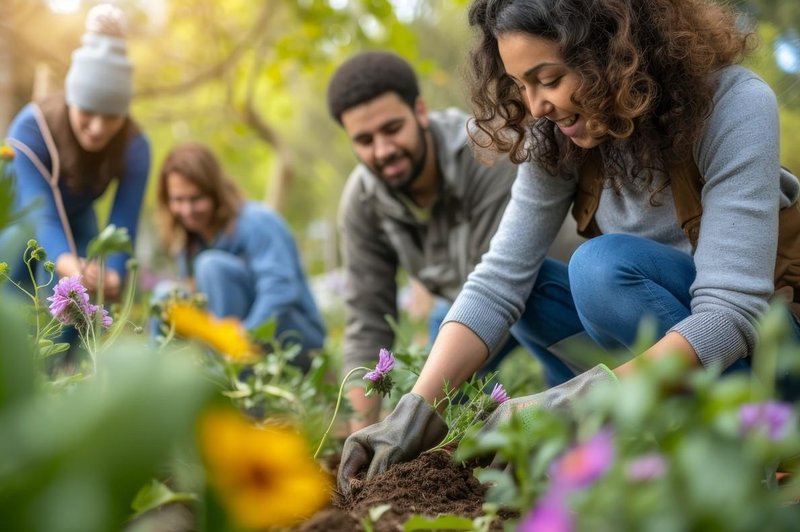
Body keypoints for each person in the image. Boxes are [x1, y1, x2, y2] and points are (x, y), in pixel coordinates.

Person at [337, 0, 800, 493]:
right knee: (531, 287)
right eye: (521, 85)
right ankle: (630, 449)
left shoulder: (734, 104)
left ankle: (749, 455)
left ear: (613, 53)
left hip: (771, 357)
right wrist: (416, 408)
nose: (535, 106)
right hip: (665, 363)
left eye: (549, 79)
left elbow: (731, 311)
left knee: (601, 270)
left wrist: (579, 400)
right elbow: (499, 281)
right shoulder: (557, 135)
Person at [327, 51, 578, 432]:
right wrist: (361, 426)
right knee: (432, 417)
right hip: (467, 311)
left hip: (549, 298)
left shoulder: (490, 151)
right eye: (364, 140)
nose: (383, 151)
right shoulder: (362, 201)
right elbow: (367, 318)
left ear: (420, 111)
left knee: (551, 406)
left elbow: (501, 288)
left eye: (392, 129)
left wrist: (425, 401)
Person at [2, 3, 149, 300]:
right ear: (71, 100)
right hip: (22, 214)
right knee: (14, 287)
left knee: (80, 305)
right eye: (88, 112)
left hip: (78, 214)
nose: (97, 128)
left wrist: (112, 273)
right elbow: (42, 214)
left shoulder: (135, 145)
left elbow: (124, 222)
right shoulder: (30, 131)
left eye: (111, 116)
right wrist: (71, 267)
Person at [153, 143, 326, 370]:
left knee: (211, 266)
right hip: (230, 339)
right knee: (166, 295)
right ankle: (157, 381)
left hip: (293, 337)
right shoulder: (189, 243)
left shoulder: (257, 221)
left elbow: (280, 290)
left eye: (195, 199)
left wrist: (244, 335)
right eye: (178, 200)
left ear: (215, 193)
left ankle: (232, 387)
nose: (187, 210)